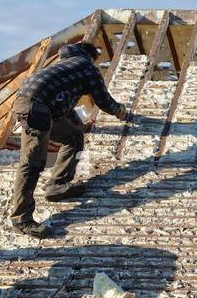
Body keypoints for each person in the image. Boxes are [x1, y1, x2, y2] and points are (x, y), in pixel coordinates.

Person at [8, 41, 131, 238]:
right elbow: (103, 100)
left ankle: (57, 185)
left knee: (73, 136)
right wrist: (121, 112)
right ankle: (22, 219)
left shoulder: (62, 68)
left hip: (34, 106)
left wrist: (82, 127)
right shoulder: (86, 67)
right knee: (32, 163)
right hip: (35, 108)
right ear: (89, 56)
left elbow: (65, 109)